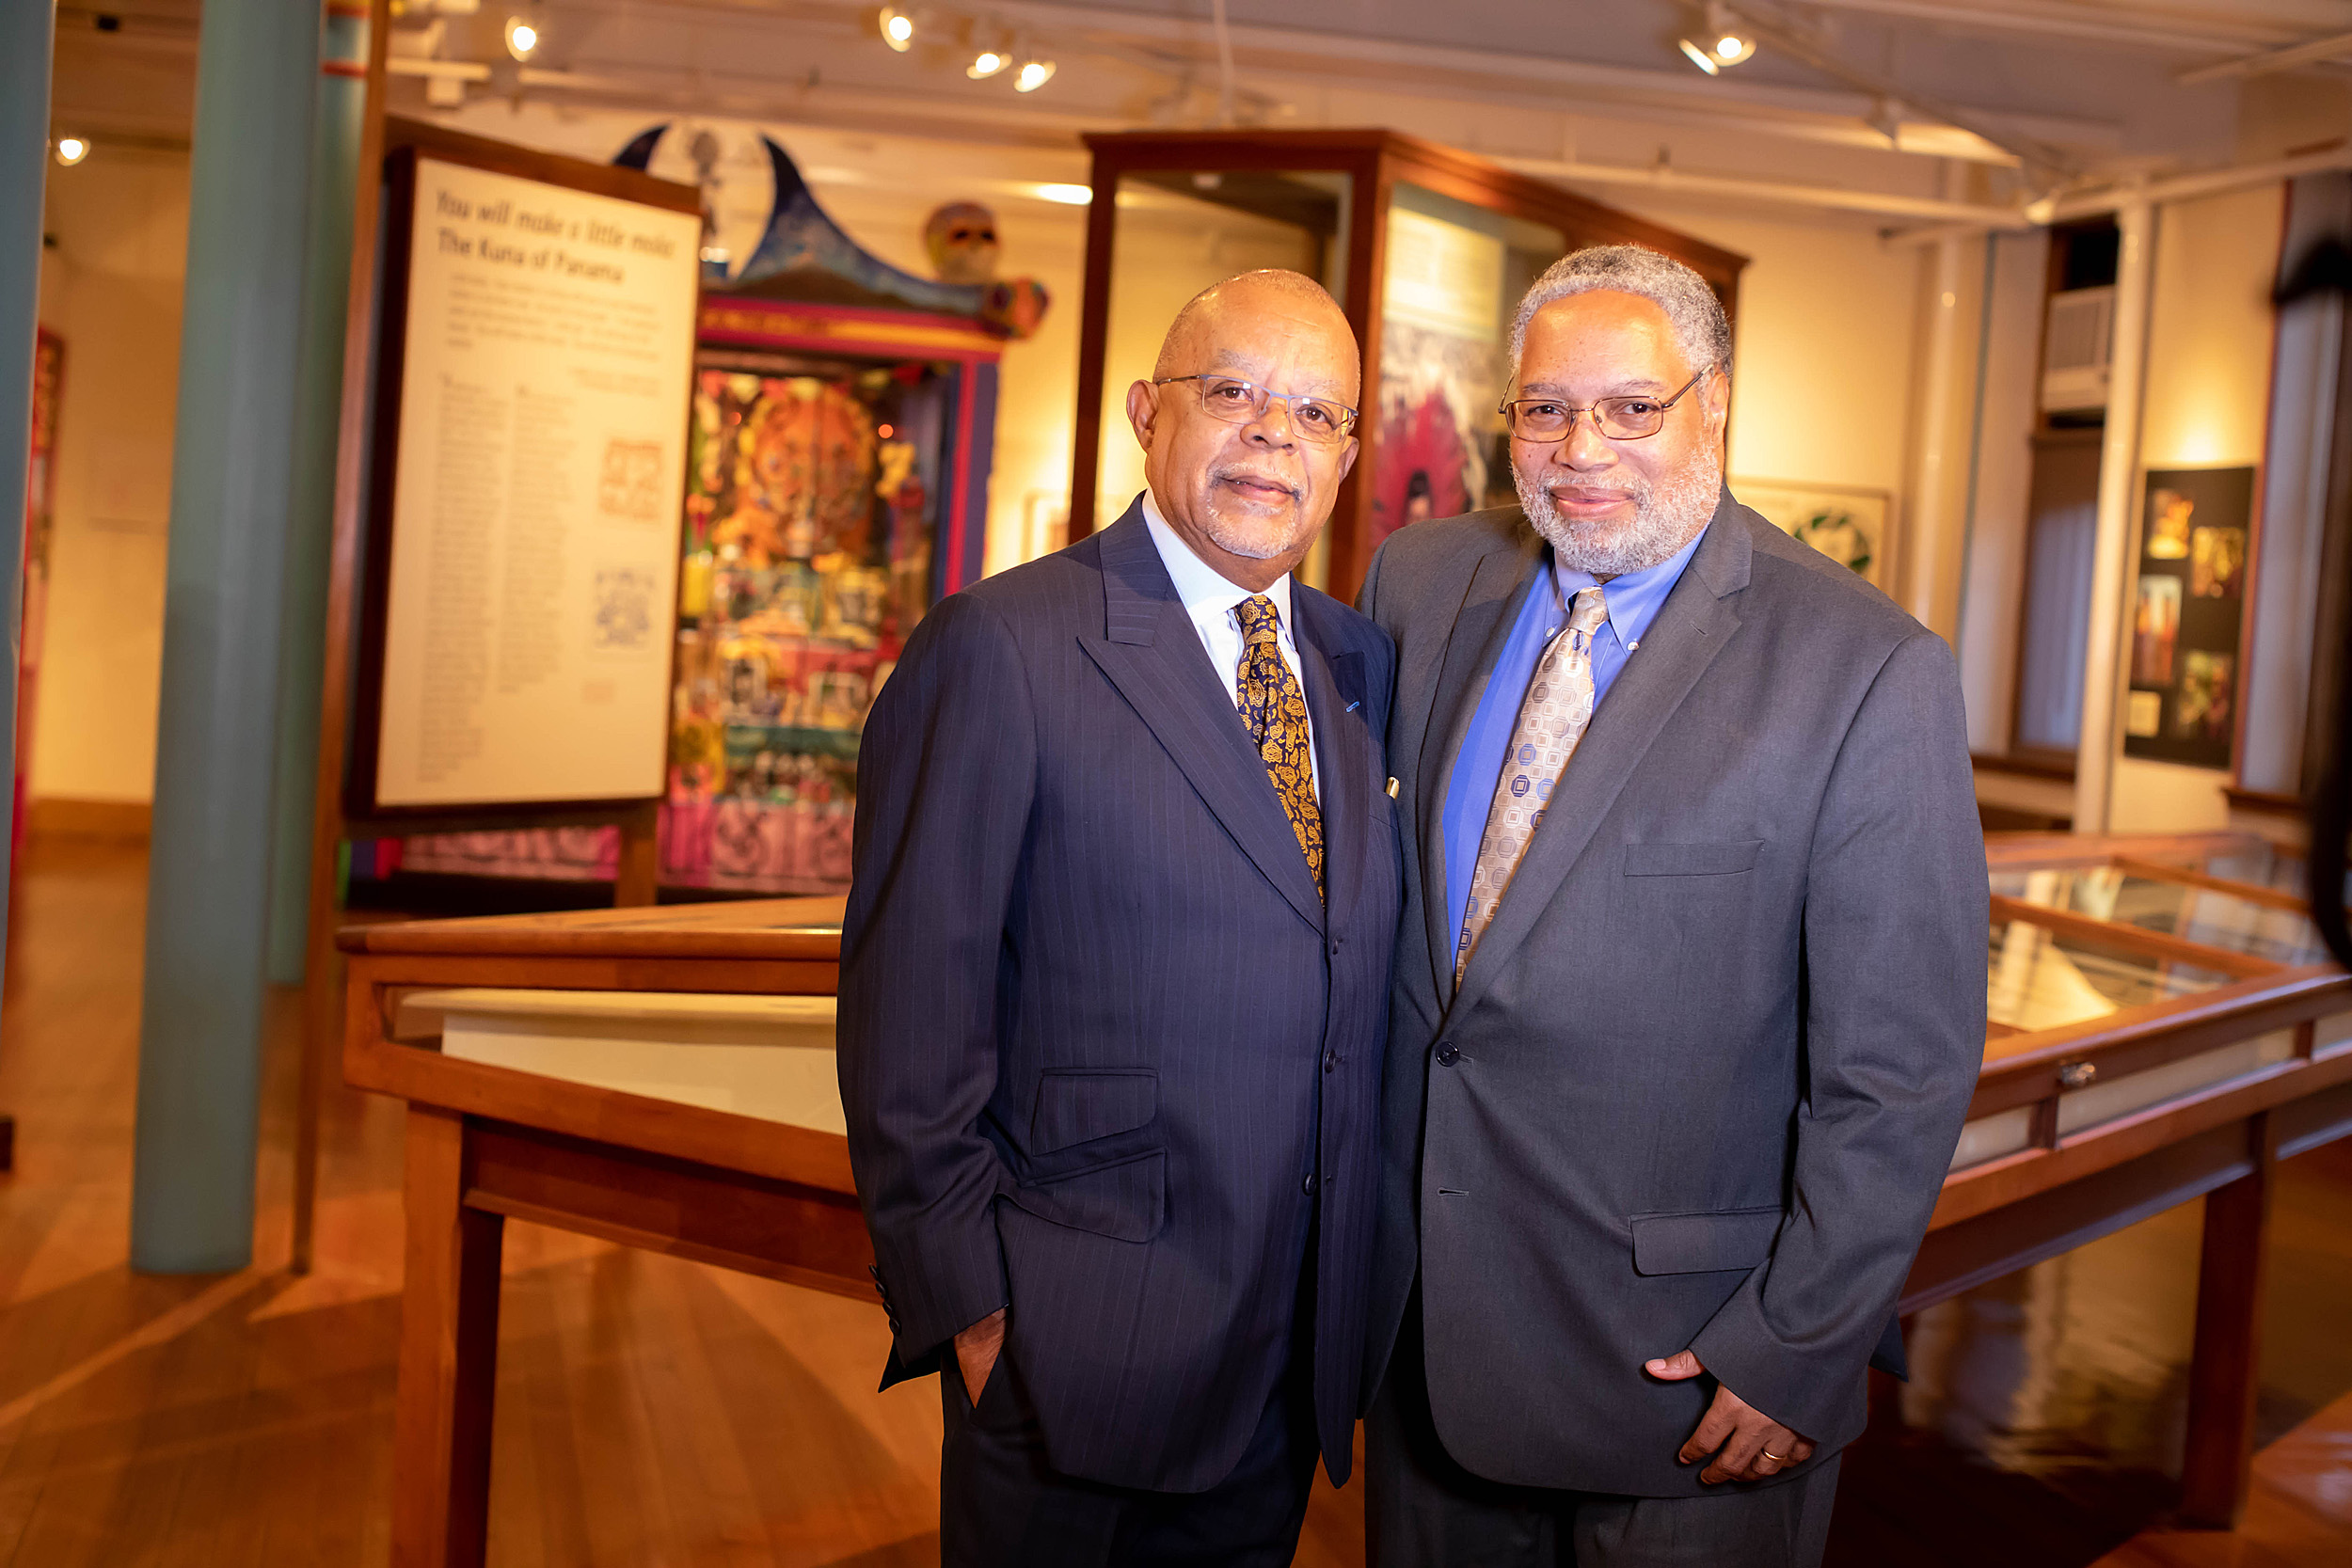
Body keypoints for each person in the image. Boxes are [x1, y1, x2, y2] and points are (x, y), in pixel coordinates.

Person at [1355, 244, 1986, 1566]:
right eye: (1544, 407)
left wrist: (1798, 1346)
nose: (1582, 447)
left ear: (1717, 403)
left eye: (1632, 407)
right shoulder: (1420, 587)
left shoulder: (1867, 670)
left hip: (1691, 1378)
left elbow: (1902, 1064)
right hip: (1427, 1344)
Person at [838, 268, 1402, 1567]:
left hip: (1285, 1353)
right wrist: (971, 1315)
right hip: (1069, 1360)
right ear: (1150, 414)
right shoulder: (1004, 647)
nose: (1274, 434)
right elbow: (908, 1026)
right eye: (1235, 393)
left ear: (1349, 453)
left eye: (1316, 412)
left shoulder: (1359, 666)